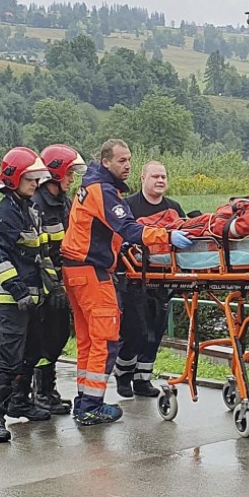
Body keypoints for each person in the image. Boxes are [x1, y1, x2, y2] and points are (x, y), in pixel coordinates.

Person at [60, 140, 192, 425]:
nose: (128, 165)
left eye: (129, 159)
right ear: (106, 162)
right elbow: (128, 228)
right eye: (122, 160)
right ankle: (91, 406)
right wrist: (166, 237)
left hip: (77, 271)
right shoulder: (102, 191)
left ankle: (84, 400)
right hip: (92, 272)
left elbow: (107, 233)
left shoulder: (92, 187)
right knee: (106, 340)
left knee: (88, 341)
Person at [0, 147, 56, 442]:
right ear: (13, 179)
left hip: (31, 295)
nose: (35, 184)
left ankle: (18, 403)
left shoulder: (26, 209)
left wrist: (52, 287)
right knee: (10, 358)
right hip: (10, 298)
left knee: (34, 352)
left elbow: (37, 254)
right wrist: (18, 291)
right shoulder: (4, 214)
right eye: (29, 179)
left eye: (37, 179)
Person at [115, 161, 185, 398]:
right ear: (143, 178)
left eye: (164, 176)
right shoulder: (129, 206)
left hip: (163, 280)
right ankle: (123, 377)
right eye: (155, 176)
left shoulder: (174, 208)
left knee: (154, 332)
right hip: (133, 279)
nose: (160, 180)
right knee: (134, 331)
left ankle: (143, 379)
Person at [30, 143, 86, 416]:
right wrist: (53, 287)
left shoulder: (62, 201)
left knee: (59, 335)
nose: (71, 179)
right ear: (55, 173)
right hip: (45, 284)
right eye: (69, 174)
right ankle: (40, 391)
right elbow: (41, 252)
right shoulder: (38, 204)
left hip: (63, 280)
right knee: (45, 337)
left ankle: (46, 389)